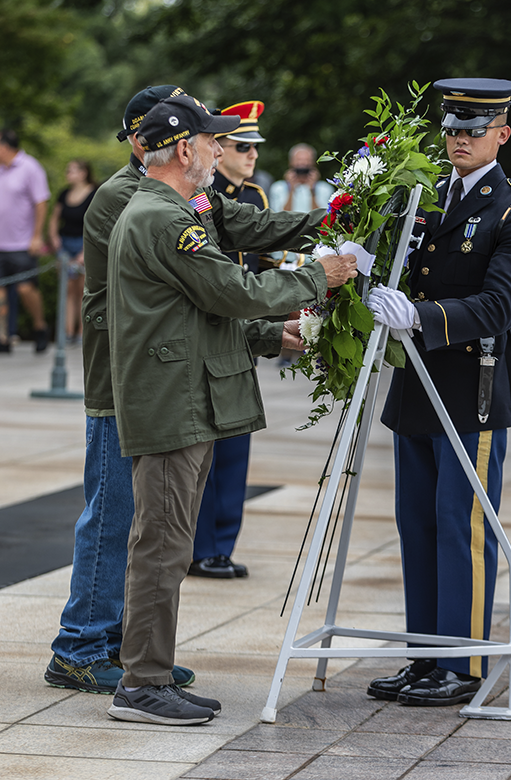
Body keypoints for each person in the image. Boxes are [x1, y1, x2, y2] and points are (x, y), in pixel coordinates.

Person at [105, 94, 357, 725]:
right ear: (183, 149)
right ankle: (141, 684)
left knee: (169, 542)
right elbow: (230, 291)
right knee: (162, 545)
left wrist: (271, 335)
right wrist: (318, 277)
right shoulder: (164, 218)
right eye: (212, 141)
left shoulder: (173, 208)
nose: (220, 150)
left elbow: (197, 315)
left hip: (183, 394)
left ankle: (149, 674)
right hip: (172, 401)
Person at [367, 77, 511, 707]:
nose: (459, 140)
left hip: (473, 389)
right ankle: (425, 655)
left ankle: (462, 662)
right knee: (416, 524)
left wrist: (418, 316)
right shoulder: (424, 197)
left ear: (502, 134)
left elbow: (500, 306)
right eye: (451, 128)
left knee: (460, 525)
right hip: (416, 384)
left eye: (473, 130)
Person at [45, 85, 201, 696]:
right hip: (120, 381)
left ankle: (118, 643)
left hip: (143, 379)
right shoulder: (121, 196)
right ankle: (80, 646)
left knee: (136, 518)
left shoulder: (159, 191)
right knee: (111, 515)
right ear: (142, 139)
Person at [189, 100, 272, 581]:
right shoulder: (202, 195)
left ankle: (222, 545)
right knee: (207, 451)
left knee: (237, 444)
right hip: (214, 328)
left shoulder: (255, 195)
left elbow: (265, 260)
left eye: (254, 147)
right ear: (217, 149)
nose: (251, 155)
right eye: (242, 147)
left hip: (244, 330)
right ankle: (200, 547)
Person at [0, 129, 50, 353]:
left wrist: (37, 235)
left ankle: (40, 327)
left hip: (22, 243)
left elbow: (41, 202)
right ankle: (2, 338)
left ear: (5, 147)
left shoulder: (30, 167)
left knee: (26, 289)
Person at [48, 160, 98, 342]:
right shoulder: (64, 193)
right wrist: (54, 239)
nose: (68, 174)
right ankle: (68, 332)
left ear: (83, 173)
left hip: (84, 244)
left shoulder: (94, 193)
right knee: (67, 289)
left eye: (72, 171)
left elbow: (96, 223)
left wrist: (85, 252)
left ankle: (82, 332)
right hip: (65, 245)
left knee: (83, 290)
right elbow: (54, 219)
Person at [269, 143, 333, 213]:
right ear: (290, 163)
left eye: (307, 160)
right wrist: (291, 189)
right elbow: (281, 215)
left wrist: (312, 190)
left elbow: (321, 216)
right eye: (299, 160)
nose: (303, 163)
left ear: (313, 163)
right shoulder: (278, 188)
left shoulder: (325, 188)